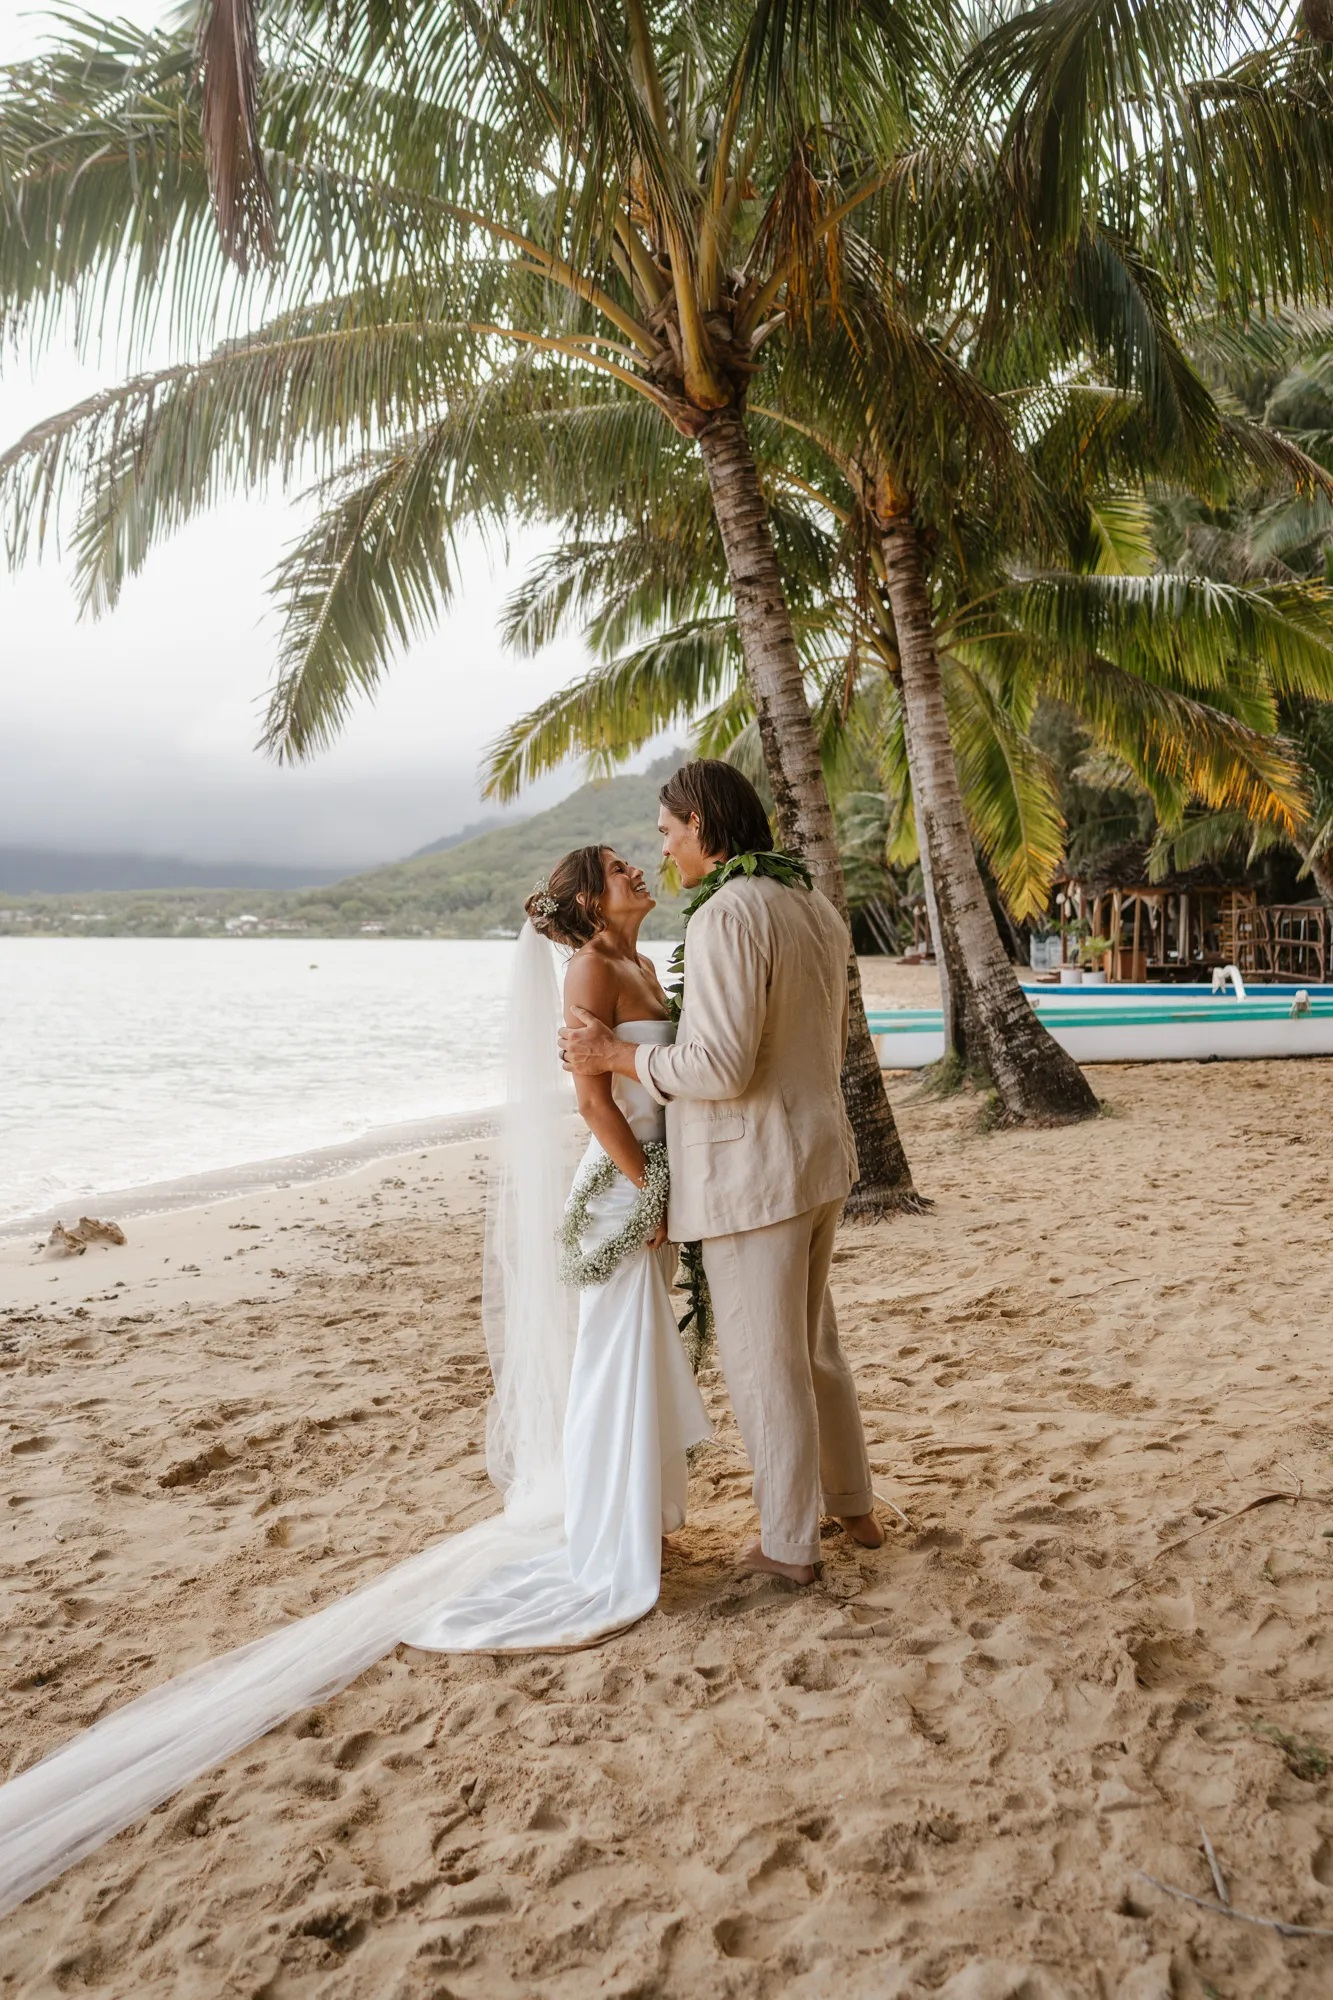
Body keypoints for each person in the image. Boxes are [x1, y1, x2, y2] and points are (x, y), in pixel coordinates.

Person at [0, 846, 708, 1918]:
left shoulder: (643, 957)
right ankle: (614, 1533)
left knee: (639, 1351)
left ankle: (639, 1517)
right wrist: (645, 1189)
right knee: (615, 1357)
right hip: (621, 1184)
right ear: (582, 899)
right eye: (616, 866)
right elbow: (593, 1102)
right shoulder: (585, 976)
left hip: (647, 1180)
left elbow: (648, 1071)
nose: (634, 866)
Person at [561, 759, 884, 1584]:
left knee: (764, 1364)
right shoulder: (808, 902)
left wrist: (615, 1054)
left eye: (669, 833)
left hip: (754, 1174)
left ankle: (786, 1548)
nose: (664, 851)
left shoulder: (726, 913)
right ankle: (851, 1506)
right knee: (814, 1349)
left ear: (700, 825)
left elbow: (720, 1066)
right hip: (817, 1157)